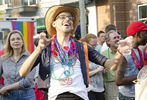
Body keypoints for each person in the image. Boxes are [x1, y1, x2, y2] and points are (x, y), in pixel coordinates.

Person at [19, 5, 127, 100]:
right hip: (56, 96)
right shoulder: (46, 49)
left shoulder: (82, 46)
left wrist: (120, 52)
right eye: (62, 17)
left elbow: (111, 65)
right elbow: (22, 72)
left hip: (80, 96)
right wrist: (39, 49)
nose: (67, 19)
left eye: (70, 17)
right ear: (54, 23)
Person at [115, 21, 147, 100]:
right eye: (145, 33)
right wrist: (142, 77)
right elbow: (118, 81)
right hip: (126, 97)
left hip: (139, 94)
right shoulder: (124, 53)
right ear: (137, 34)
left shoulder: (140, 50)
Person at [0, 30, 36, 100]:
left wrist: (6, 88)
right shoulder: (3, 59)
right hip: (7, 96)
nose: (16, 41)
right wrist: (1, 89)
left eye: (18, 39)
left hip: (27, 95)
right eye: (13, 39)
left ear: (22, 42)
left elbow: (27, 81)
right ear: (9, 43)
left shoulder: (30, 58)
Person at [81, 34, 105, 100]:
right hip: (90, 89)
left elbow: (100, 68)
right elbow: (83, 74)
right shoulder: (82, 56)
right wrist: (97, 70)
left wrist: (104, 70)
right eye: (92, 45)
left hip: (100, 88)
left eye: (96, 45)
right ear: (86, 44)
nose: (94, 47)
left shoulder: (96, 54)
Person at [101, 30, 120, 100]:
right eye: (114, 38)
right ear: (108, 41)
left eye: (118, 37)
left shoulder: (126, 51)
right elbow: (100, 69)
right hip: (111, 85)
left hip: (125, 83)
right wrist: (103, 70)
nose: (117, 39)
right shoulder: (103, 54)